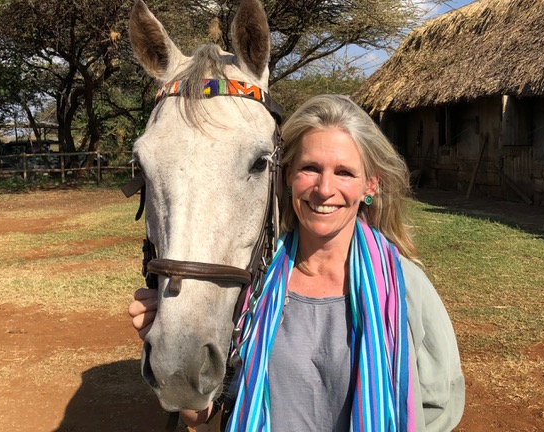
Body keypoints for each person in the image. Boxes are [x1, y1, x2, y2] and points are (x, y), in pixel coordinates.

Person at [129, 94, 465, 431]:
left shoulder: (406, 288)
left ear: (370, 185)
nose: (325, 189)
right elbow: (200, 413)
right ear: (288, 176)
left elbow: (439, 406)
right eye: (310, 169)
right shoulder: (252, 287)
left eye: (345, 172)